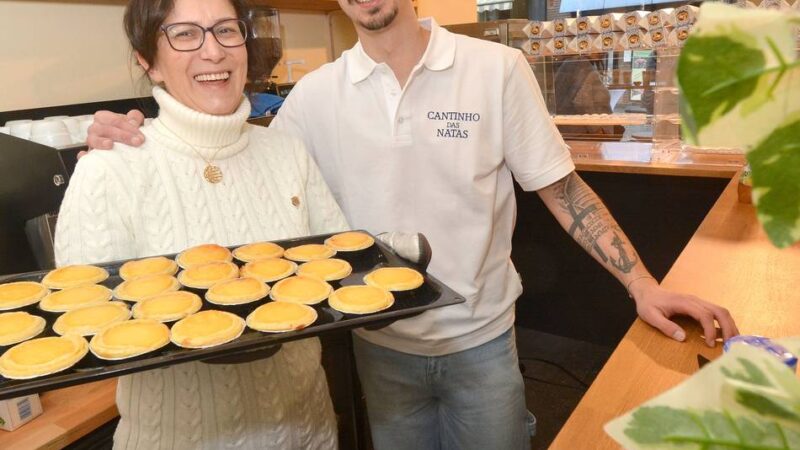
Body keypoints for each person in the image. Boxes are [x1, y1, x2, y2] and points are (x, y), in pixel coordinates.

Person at [87, 1, 739, 448]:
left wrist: (644, 285)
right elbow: (238, 161)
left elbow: (563, 190)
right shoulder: (317, 96)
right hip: (381, 352)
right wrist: (138, 132)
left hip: (483, 348)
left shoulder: (496, 71)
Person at [56, 0, 346, 448]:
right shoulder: (109, 169)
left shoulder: (287, 153)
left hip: (308, 430)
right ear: (148, 62)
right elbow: (84, 323)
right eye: (185, 34)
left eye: (226, 30)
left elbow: (339, 273)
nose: (213, 52)